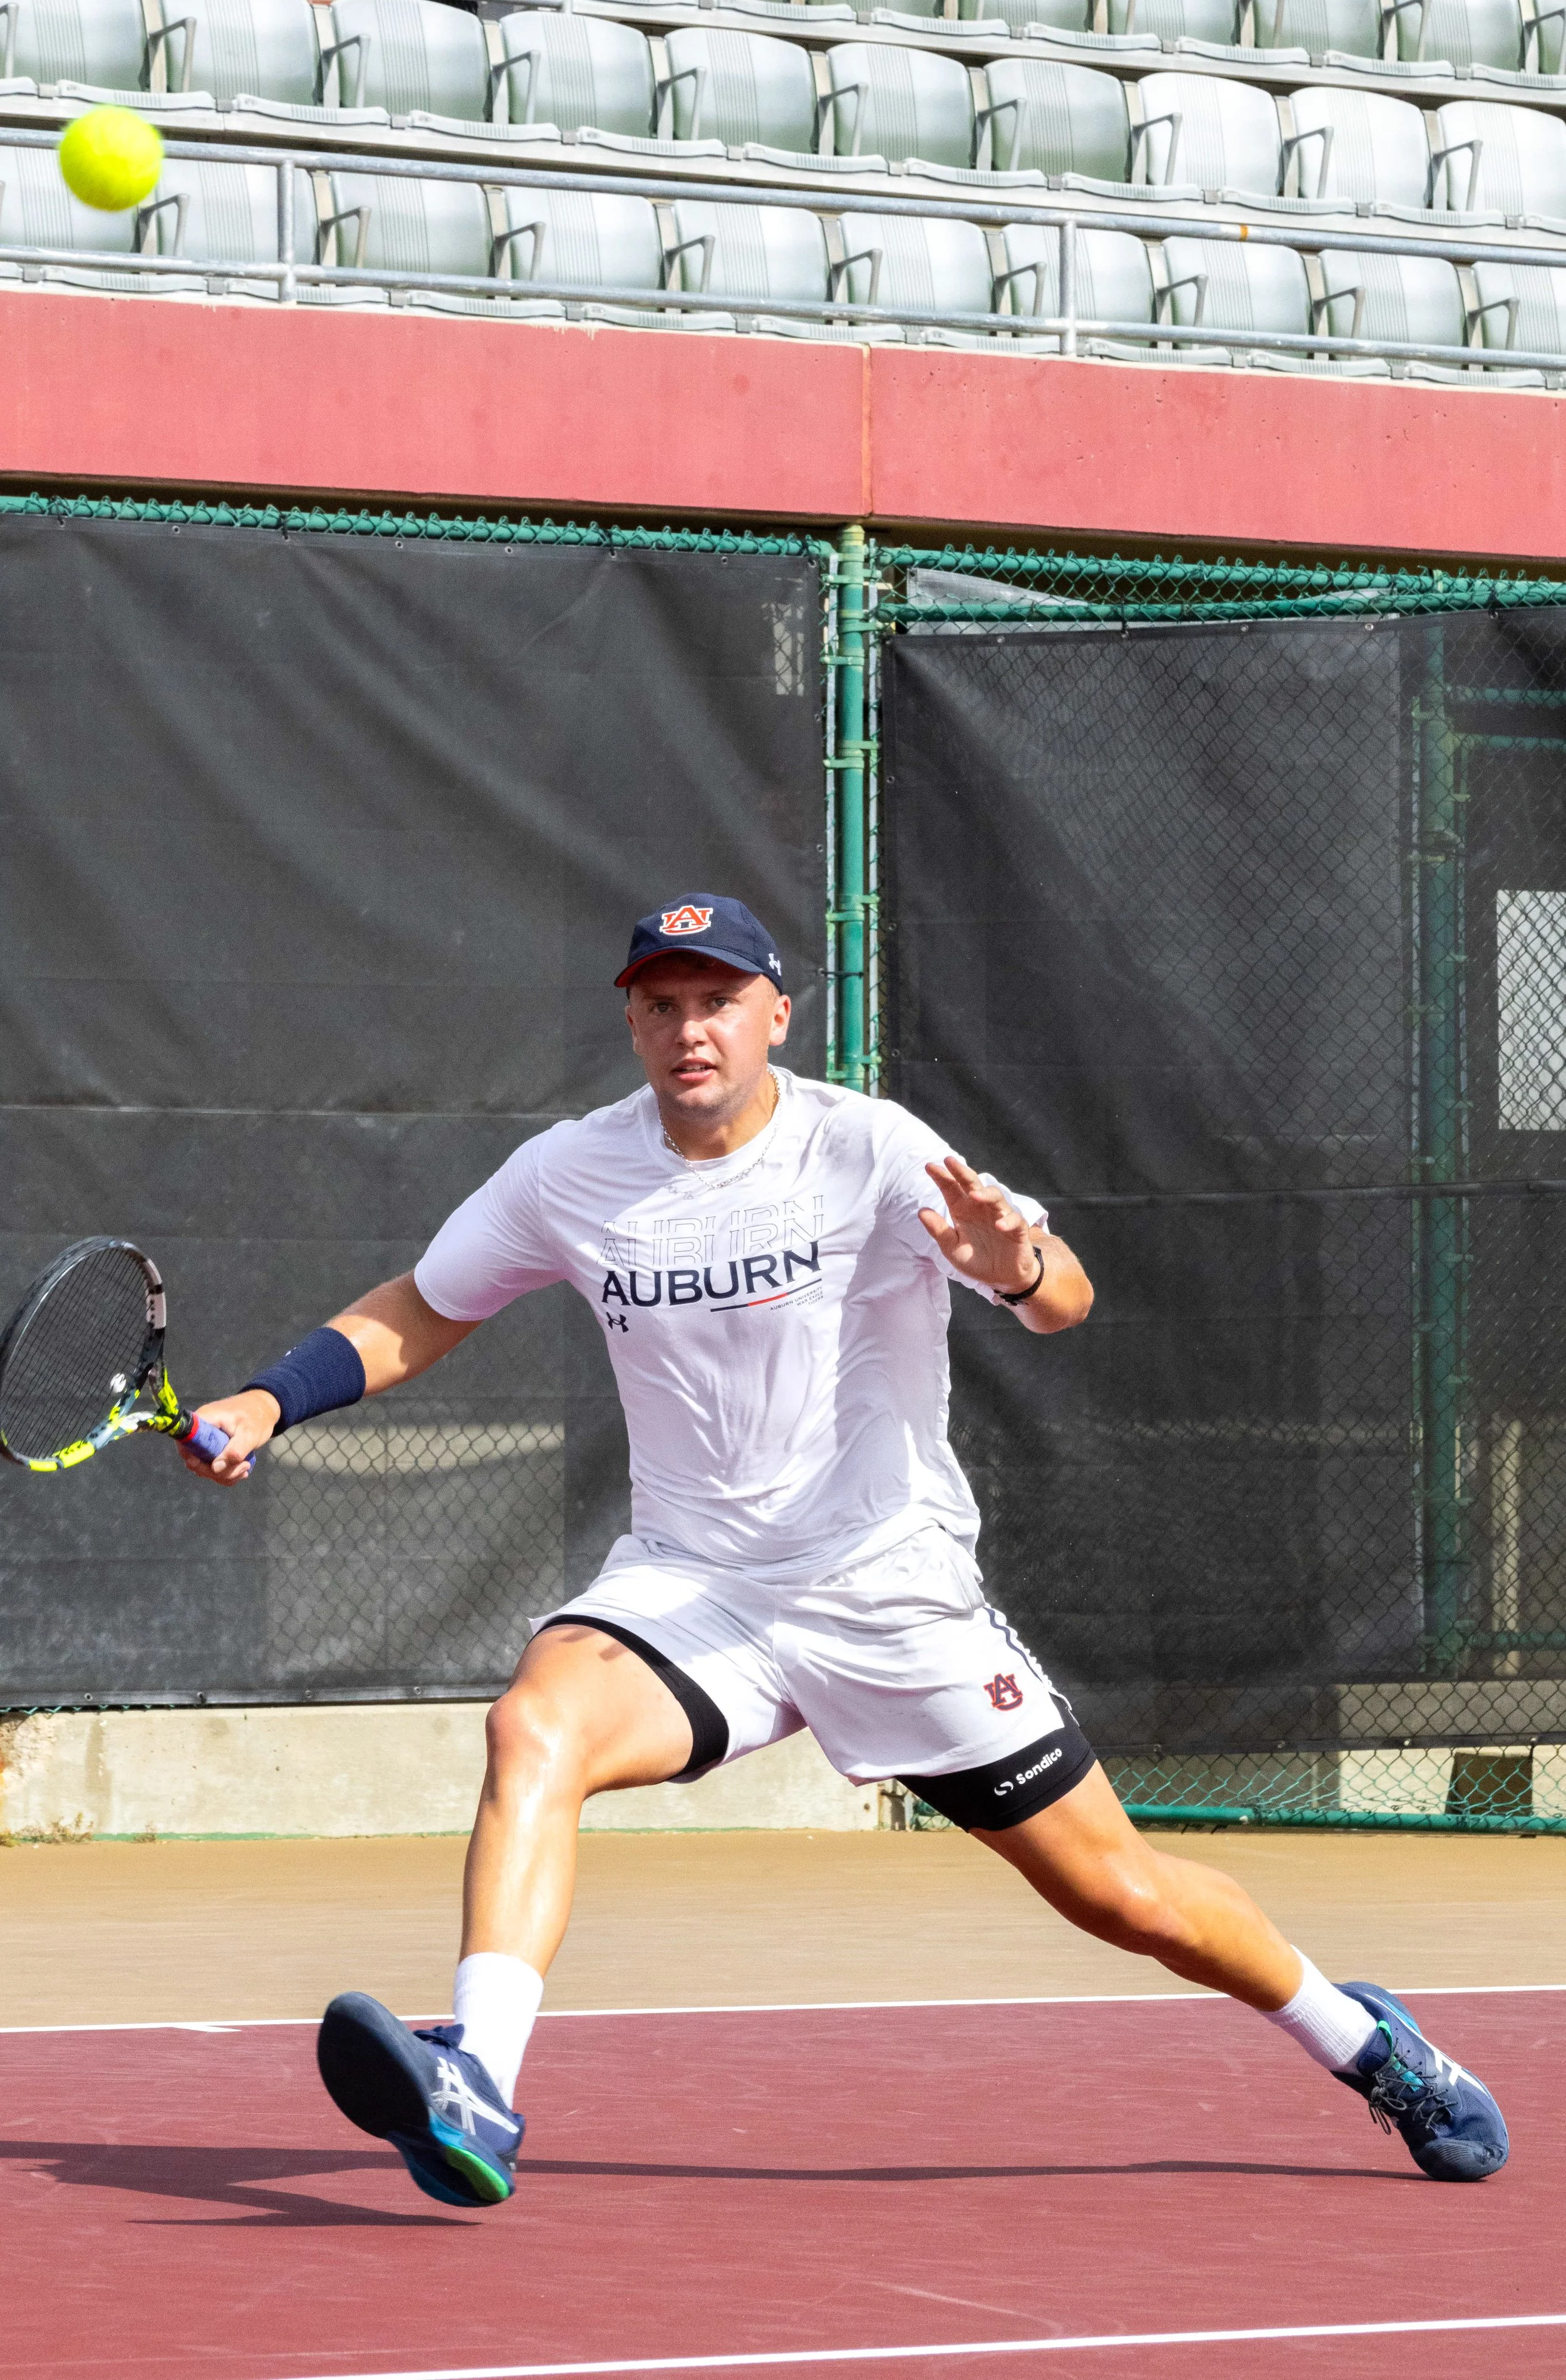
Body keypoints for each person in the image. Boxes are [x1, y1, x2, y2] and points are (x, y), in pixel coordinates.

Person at [184, 894, 1509, 2208]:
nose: (688, 1029)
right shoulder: (567, 1174)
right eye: (660, 1004)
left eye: (715, 1001)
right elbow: (424, 1305)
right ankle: (477, 2074)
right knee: (535, 1725)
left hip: (888, 1587)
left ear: (774, 1013)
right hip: (695, 1585)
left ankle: (1361, 2038)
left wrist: (1015, 1257)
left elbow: (1059, 1299)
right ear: (632, 1023)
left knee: (1123, 1895)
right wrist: (266, 1398)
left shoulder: (865, 1146)